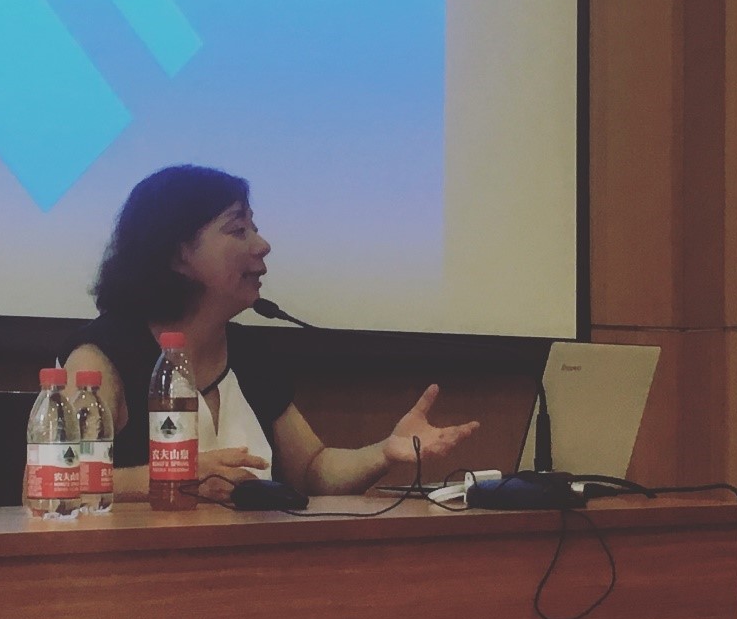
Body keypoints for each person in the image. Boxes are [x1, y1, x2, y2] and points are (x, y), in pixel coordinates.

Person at [61, 165, 479, 502]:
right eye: (238, 230)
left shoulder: (249, 353)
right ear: (178, 255)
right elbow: (58, 478)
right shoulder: (102, 357)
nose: (263, 245)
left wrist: (385, 452)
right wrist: (172, 477)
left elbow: (313, 471)